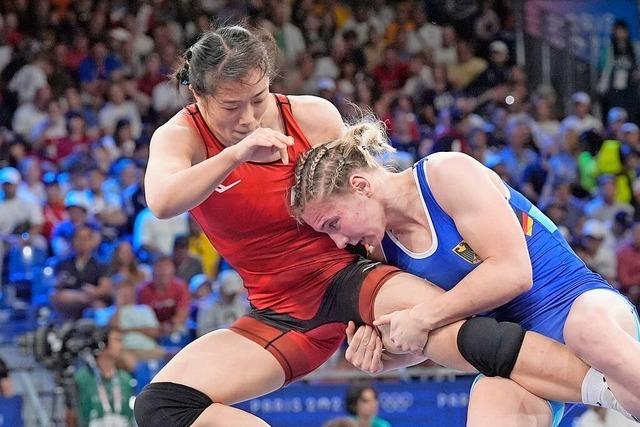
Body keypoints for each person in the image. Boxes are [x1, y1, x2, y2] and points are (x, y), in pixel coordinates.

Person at [134, 25, 631, 427]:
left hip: (351, 275)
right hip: (279, 309)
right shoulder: (180, 138)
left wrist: (394, 313)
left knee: (443, 327)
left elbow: (352, 190)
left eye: (258, 99)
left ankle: (614, 390)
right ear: (197, 97)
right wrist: (237, 154)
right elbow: (161, 201)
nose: (247, 118)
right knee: (160, 406)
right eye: (230, 107)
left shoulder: (312, 115)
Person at [290, 120, 640, 425]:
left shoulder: (445, 173)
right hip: (518, 355)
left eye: (334, 223)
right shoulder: (381, 250)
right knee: (490, 406)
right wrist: (386, 356)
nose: (338, 242)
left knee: (587, 331)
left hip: (575, 301)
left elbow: (513, 272)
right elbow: (429, 340)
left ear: (361, 186)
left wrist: (422, 317)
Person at [70, 327, 135, 427]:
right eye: (117, 340)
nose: (121, 346)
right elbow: (72, 416)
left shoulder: (125, 379)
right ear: (102, 343)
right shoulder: (81, 378)